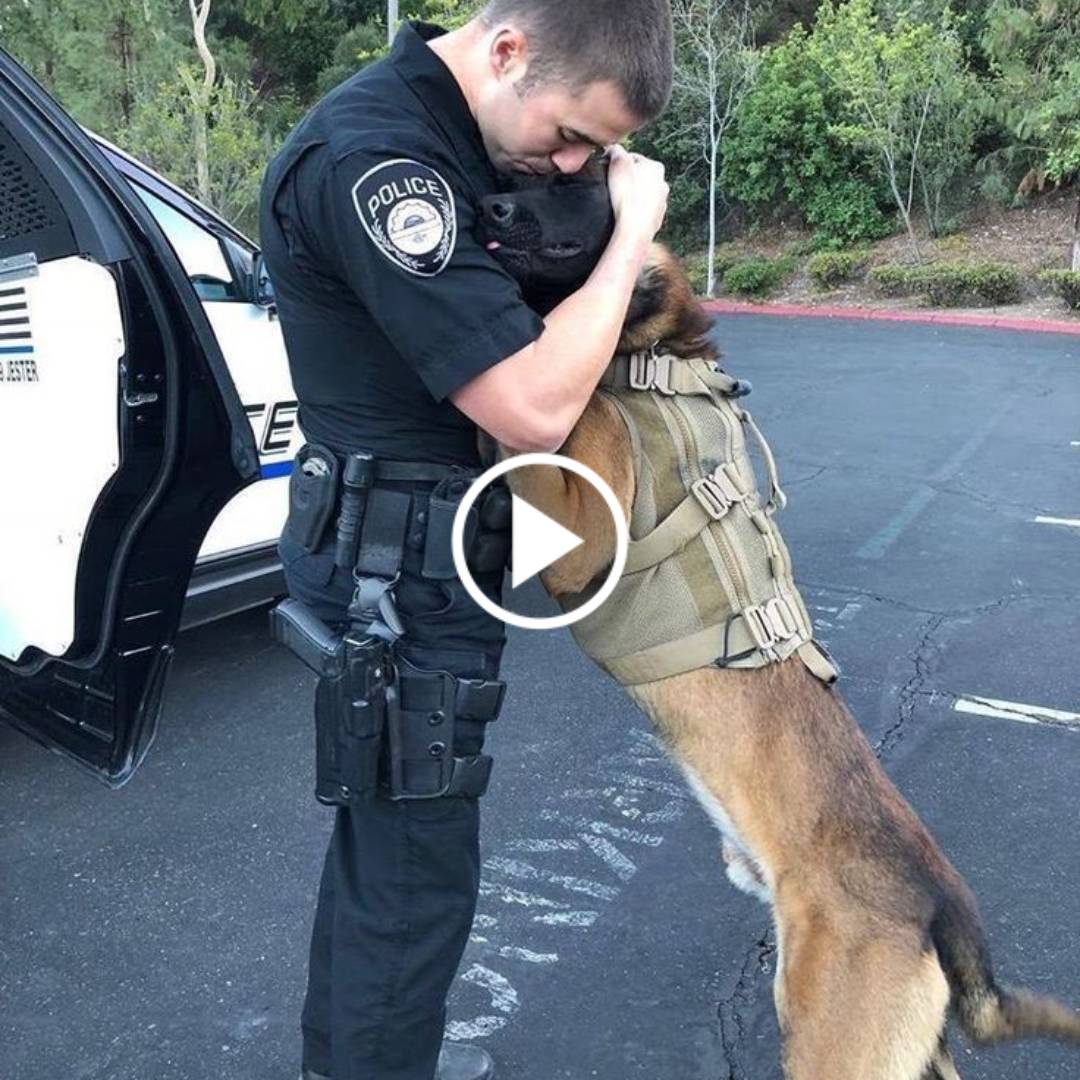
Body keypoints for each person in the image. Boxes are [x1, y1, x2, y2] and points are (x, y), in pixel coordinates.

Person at [258, 2, 672, 1078]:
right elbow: (530, 404)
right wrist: (631, 230)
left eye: (602, 152)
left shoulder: (467, 132)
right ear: (505, 52)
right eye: (573, 136)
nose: (580, 164)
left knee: (396, 874)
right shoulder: (376, 162)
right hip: (393, 574)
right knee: (410, 891)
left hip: (434, 553)